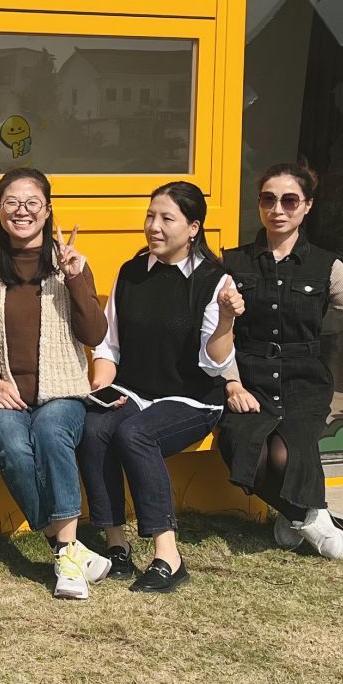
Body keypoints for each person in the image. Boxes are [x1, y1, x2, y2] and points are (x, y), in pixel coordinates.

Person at [206, 162, 343, 561]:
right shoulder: (233, 263)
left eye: (289, 200)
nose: (277, 209)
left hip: (304, 382)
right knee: (245, 448)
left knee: (287, 452)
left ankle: (292, 515)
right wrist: (232, 382)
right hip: (248, 378)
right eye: (268, 199)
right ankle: (308, 516)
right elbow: (216, 331)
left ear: (307, 206)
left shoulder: (329, 266)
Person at [79, 181, 228, 594]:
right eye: (150, 216)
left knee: (135, 433)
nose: (154, 226)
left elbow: (214, 363)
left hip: (192, 398)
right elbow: (109, 345)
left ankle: (168, 556)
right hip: (135, 390)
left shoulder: (213, 280)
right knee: (94, 427)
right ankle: (116, 545)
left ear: (193, 228)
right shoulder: (131, 273)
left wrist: (228, 320)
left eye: (166, 219)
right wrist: (100, 387)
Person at [0, 166, 111, 600]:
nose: (22, 211)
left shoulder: (69, 264)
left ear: (48, 209)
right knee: (12, 445)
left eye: (32, 202)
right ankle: (69, 548)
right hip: (4, 395)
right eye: (12, 202)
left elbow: (94, 334)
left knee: (52, 432)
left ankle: (66, 557)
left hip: (63, 393)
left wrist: (75, 278)